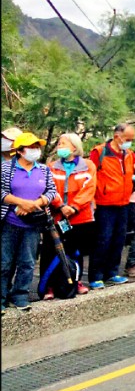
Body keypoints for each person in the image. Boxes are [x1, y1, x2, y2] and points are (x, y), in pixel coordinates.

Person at [1, 132, 58, 313]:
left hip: (33, 224)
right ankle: (2, 297)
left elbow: (51, 191)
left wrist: (34, 204)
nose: (35, 151)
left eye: (37, 147)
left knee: (27, 262)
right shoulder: (6, 169)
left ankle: (20, 295)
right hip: (10, 222)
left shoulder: (43, 170)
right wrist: (20, 202)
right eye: (31, 147)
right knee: (4, 262)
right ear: (19, 151)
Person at [88, 123, 135, 289]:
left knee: (118, 239)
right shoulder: (99, 152)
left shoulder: (128, 153)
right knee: (103, 240)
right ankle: (96, 275)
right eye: (128, 139)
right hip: (104, 203)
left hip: (123, 202)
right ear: (117, 137)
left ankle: (112, 272)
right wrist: (92, 199)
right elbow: (90, 175)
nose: (129, 143)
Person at [44, 133, 96, 297]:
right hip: (57, 217)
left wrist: (74, 207)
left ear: (74, 147)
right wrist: (60, 205)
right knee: (51, 250)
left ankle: (75, 280)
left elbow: (89, 188)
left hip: (80, 217)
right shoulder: (52, 166)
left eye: (63, 143)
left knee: (75, 251)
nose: (60, 146)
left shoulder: (88, 165)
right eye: (59, 144)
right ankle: (49, 286)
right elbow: (49, 187)